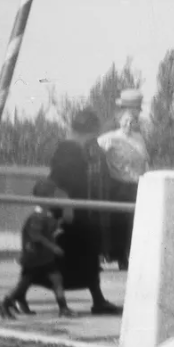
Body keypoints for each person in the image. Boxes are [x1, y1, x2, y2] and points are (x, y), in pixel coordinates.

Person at [48, 110, 121, 315]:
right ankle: (64, 306)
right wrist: (67, 209)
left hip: (78, 212)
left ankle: (98, 300)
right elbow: (60, 183)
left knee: (87, 257)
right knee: (62, 260)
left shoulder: (76, 149)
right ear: (88, 131)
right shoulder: (68, 151)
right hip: (69, 212)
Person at [0, 179, 69, 319]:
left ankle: (63, 308)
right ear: (47, 198)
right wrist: (53, 246)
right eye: (53, 196)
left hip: (44, 257)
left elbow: (47, 231)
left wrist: (58, 226)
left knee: (55, 279)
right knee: (24, 284)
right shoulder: (37, 216)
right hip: (35, 257)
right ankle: (6, 304)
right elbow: (36, 236)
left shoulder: (46, 215)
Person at [98, 88, 148, 271]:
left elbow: (144, 160)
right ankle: (115, 255)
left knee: (132, 222)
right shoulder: (109, 131)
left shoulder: (138, 136)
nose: (134, 117)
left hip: (135, 184)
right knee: (116, 221)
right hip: (116, 184)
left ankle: (126, 255)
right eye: (135, 110)